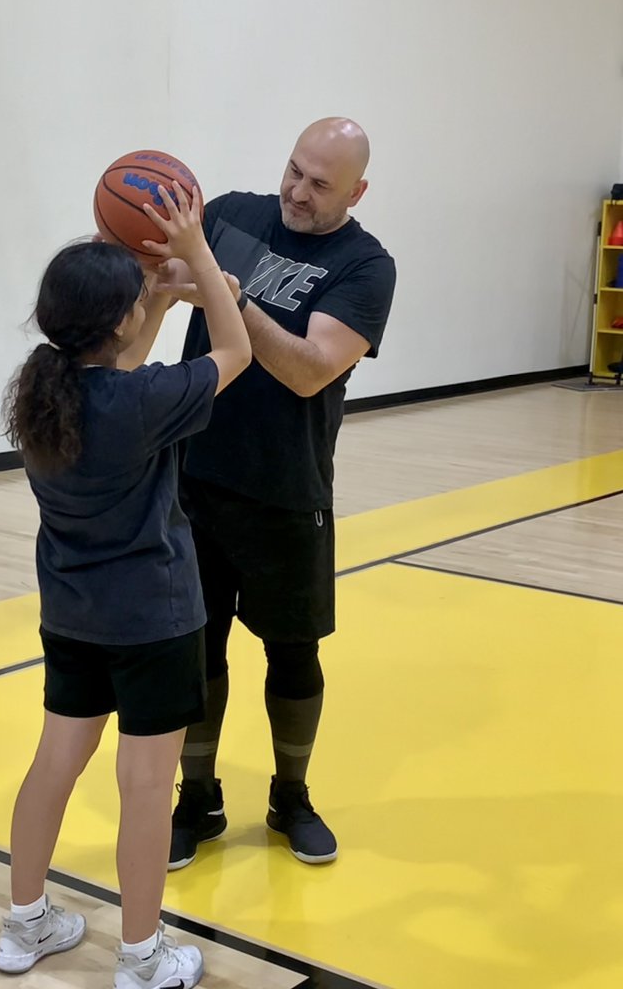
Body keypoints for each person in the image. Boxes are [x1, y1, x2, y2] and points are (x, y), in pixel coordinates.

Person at [0, 182, 251, 988]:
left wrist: (161, 297)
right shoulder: (140, 403)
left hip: (73, 616)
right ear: (118, 322)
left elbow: (118, 363)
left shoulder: (41, 387)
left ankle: (25, 924)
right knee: (144, 787)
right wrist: (198, 255)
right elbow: (237, 351)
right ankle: (141, 958)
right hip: (153, 622)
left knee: (53, 765)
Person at [144, 118, 396, 869]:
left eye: (320, 184)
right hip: (192, 480)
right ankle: (198, 798)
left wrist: (230, 296)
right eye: (293, 170)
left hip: (287, 489)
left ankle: (291, 796)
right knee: (196, 649)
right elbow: (162, 281)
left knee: (293, 654)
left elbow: (311, 368)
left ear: (356, 192)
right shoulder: (227, 217)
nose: (297, 191)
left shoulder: (365, 265)